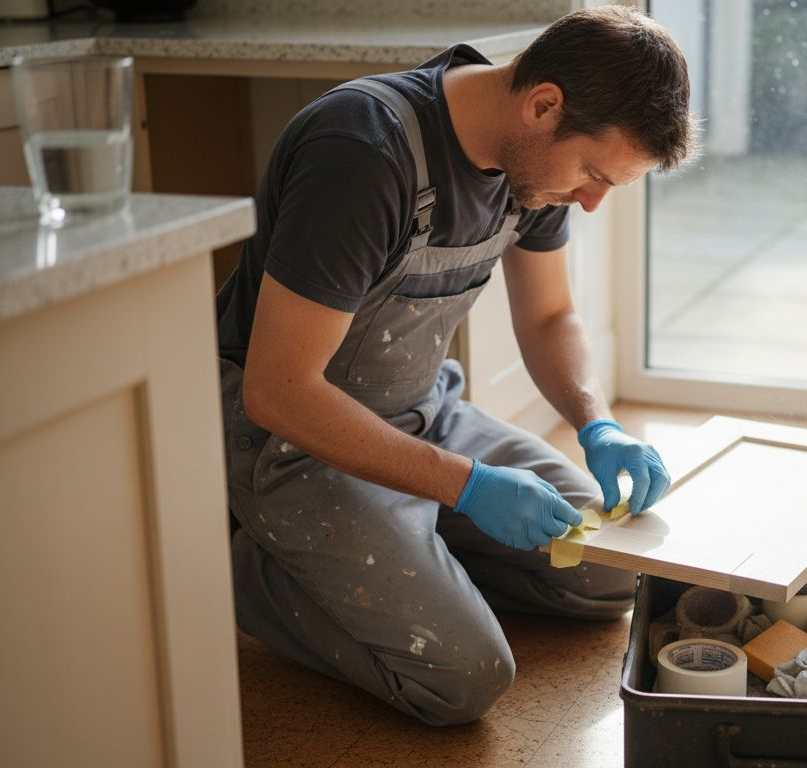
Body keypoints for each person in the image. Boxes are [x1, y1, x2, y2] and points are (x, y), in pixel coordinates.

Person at [213, 6, 697, 726]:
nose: (591, 202)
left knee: (619, 572)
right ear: (543, 104)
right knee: (463, 678)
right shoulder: (364, 152)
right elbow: (280, 392)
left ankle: (406, 544)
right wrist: (466, 487)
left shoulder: (532, 164)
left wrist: (598, 424)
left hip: (420, 414)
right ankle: (240, 563)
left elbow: (548, 317)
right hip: (291, 442)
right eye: (594, 174)